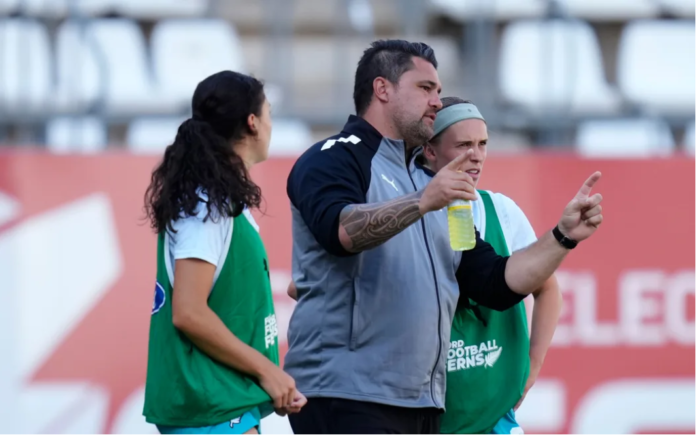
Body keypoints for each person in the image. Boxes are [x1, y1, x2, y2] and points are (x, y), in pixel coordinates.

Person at [284, 39, 603, 434]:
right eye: (425, 88)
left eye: (438, 90)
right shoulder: (333, 156)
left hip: (420, 402)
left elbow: (491, 281)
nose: (436, 101)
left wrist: (562, 237)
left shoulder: (431, 181)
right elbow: (340, 231)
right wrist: (422, 201)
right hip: (347, 394)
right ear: (382, 89)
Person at [142, 70, 306, 435]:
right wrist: (269, 371)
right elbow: (189, 312)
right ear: (252, 122)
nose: (270, 124)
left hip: (222, 405)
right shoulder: (207, 206)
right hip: (212, 410)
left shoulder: (217, 201)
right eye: (268, 114)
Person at [415, 97, 563, 434]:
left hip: (496, 419)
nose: (477, 154)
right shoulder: (406, 215)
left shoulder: (501, 211)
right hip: (426, 420)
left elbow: (548, 288)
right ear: (430, 150)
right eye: (464, 144)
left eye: (483, 144)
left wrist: (532, 366)